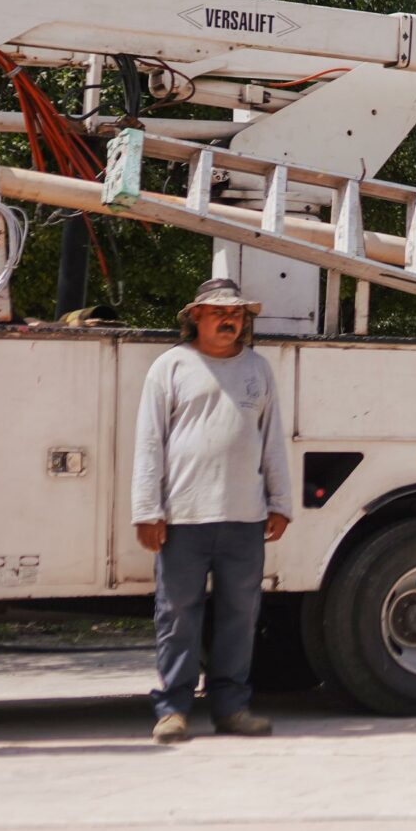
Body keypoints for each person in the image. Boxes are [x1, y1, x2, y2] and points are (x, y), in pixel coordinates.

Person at [132, 277, 292, 744]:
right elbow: (149, 443)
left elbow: (272, 442)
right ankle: (173, 710)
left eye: (238, 314)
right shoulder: (171, 367)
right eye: (220, 313)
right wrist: (147, 509)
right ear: (195, 317)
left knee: (239, 616)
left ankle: (232, 709)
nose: (231, 321)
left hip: (244, 517)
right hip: (182, 517)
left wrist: (279, 502)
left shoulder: (257, 370)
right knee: (177, 614)